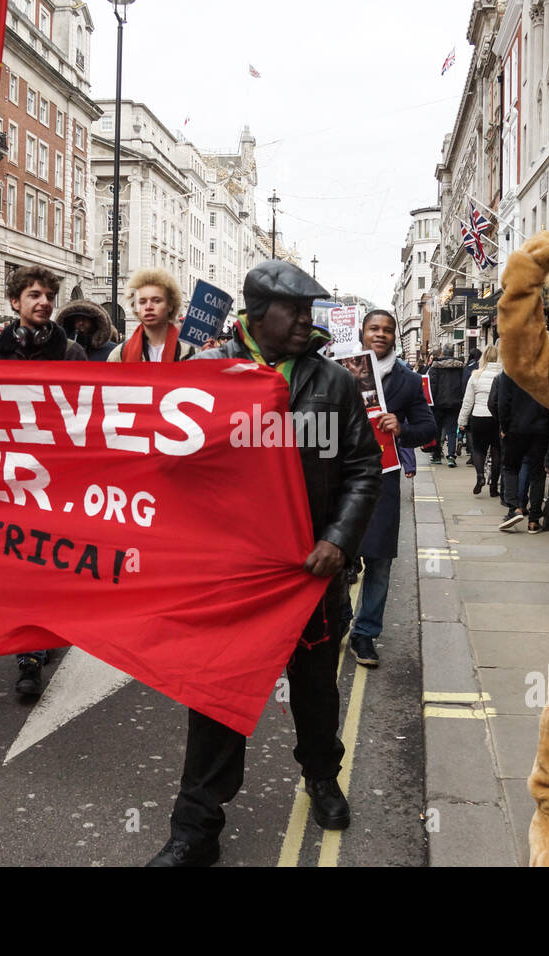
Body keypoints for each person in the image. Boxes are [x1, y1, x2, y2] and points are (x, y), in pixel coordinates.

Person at [148, 260, 382, 867]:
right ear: (257, 314)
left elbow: (360, 466)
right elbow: (166, 464)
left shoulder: (331, 382)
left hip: (311, 572)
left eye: (311, 311)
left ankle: (322, 776)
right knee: (218, 695)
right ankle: (195, 827)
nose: (309, 321)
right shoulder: (203, 373)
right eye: (296, 311)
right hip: (233, 575)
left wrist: (339, 538)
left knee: (314, 690)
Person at [0, 266, 84, 694]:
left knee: (48, 561)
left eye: (48, 295)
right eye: (34, 294)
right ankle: (29, 654)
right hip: (7, 474)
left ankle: (41, 638)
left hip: (57, 473)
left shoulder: (72, 353)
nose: (43, 301)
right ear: (14, 302)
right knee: (18, 563)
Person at [335, 309, 435, 667]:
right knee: (337, 555)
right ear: (362, 332)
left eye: (387, 330)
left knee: (378, 561)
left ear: (395, 336)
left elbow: (428, 428)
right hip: (340, 475)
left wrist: (402, 427)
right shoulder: (339, 369)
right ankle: (342, 618)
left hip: (383, 476)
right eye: (374, 328)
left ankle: (365, 633)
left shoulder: (407, 380)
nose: (381, 334)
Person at [494, 368, 549, 532]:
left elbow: (503, 402)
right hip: (541, 430)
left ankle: (513, 509)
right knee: (538, 474)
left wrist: (505, 427)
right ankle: (534, 520)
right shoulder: (545, 371)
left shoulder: (510, 370)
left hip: (515, 428)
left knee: (511, 469)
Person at [108, 267, 195, 362]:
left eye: (156, 300)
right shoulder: (119, 354)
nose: (148, 306)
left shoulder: (192, 352)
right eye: (142, 302)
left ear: (170, 305)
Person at [457, 344, 502, 496]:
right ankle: (494, 487)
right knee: (497, 452)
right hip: (496, 418)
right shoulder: (503, 374)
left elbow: (468, 401)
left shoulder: (475, 375)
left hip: (478, 417)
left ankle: (480, 476)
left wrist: (462, 421)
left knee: (478, 449)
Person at [426, 350, 464, 465]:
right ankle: (451, 456)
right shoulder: (460, 367)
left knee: (437, 429)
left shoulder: (435, 366)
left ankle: (437, 455)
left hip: (438, 404)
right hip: (455, 403)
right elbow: (463, 385)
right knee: (452, 431)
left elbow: (431, 386)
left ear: (443, 353)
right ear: (453, 353)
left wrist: (430, 403)